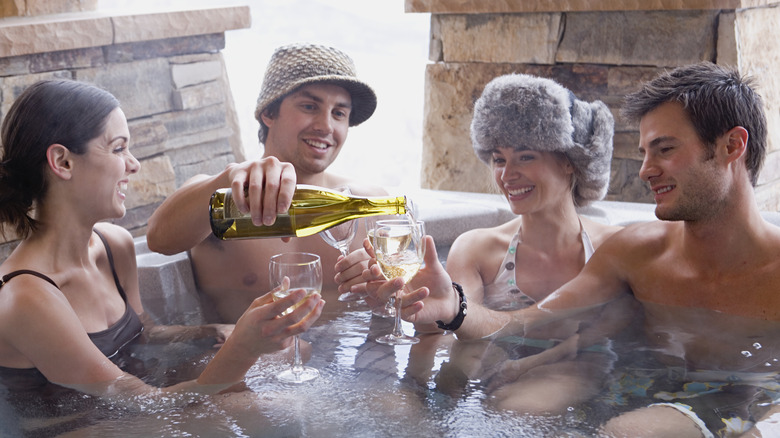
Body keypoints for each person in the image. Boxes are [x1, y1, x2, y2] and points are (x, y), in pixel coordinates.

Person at [364, 62, 780, 437]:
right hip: (629, 393)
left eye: (664, 149)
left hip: (731, 400)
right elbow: (524, 322)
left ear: (731, 146)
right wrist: (453, 308)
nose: (645, 170)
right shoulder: (634, 252)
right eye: (644, 152)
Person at [0, 79, 323, 408]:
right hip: (82, 426)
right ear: (63, 162)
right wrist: (244, 346)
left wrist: (217, 331)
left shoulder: (113, 245)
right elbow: (148, 409)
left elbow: (144, 334)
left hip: (136, 401)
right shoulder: (26, 296)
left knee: (292, 352)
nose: (134, 164)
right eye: (117, 148)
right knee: (269, 404)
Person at [423, 73, 636, 415]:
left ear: (569, 160)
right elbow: (459, 341)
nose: (507, 175)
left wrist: (532, 368)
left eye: (525, 157)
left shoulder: (615, 250)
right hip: (492, 379)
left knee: (521, 409)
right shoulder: (478, 249)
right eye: (499, 159)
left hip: (580, 381)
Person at [146, 43, 386, 323]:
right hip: (255, 364)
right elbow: (158, 238)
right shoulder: (222, 196)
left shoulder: (369, 206)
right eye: (310, 106)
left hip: (353, 361)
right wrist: (229, 178)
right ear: (269, 113)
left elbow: (411, 304)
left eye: (339, 113)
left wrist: (385, 286)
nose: (326, 126)